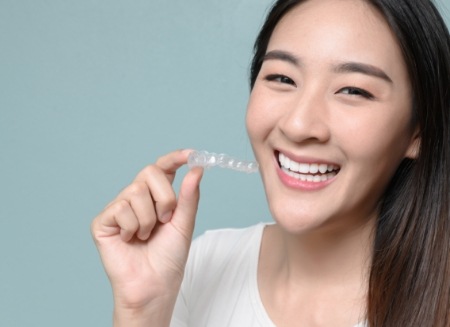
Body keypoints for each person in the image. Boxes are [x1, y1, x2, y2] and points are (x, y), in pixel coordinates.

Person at [91, 0, 450, 326]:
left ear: (418, 131)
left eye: (353, 90)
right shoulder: (200, 265)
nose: (297, 125)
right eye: (282, 78)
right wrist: (142, 312)